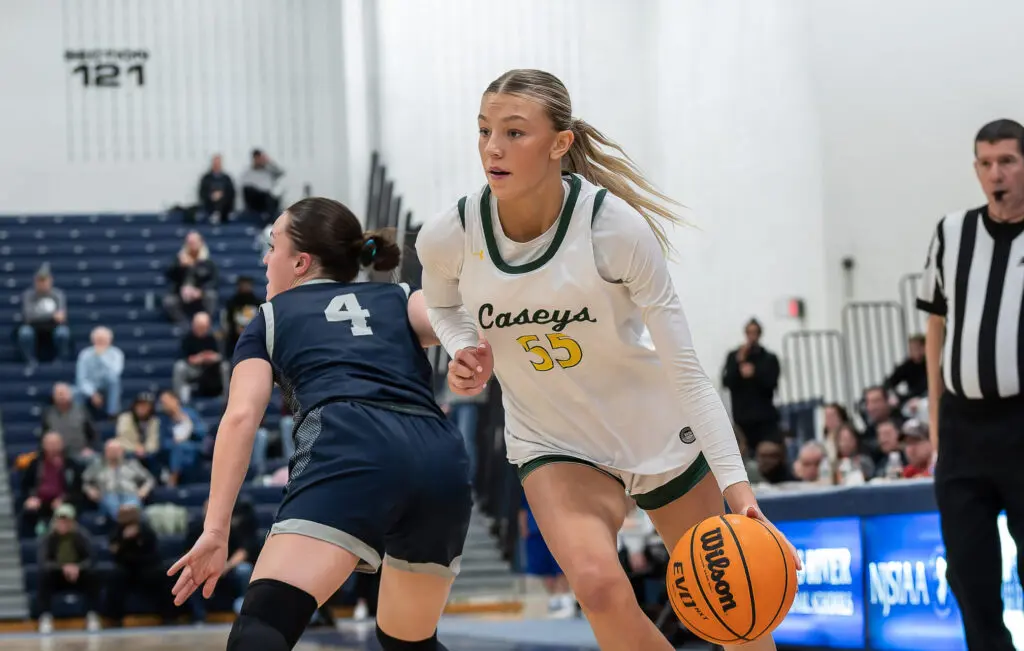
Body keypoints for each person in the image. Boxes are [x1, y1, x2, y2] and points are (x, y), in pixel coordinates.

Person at [415, 68, 799, 651]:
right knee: (597, 587)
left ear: (560, 144)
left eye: (515, 132)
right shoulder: (451, 233)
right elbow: (439, 303)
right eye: (484, 129)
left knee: (736, 611)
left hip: (654, 432)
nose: (493, 147)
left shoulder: (613, 228)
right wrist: (463, 348)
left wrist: (739, 488)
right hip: (552, 438)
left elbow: (687, 369)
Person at [167, 197, 481, 651]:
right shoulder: (395, 296)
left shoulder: (269, 318)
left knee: (264, 624)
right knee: (408, 642)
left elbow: (239, 419)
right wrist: (467, 361)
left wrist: (216, 530)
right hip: (439, 458)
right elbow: (456, 323)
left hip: (351, 443)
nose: (264, 258)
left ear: (300, 261)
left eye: (272, 245)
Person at [917, 118, 1024, 651]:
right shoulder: (951, 233)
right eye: (985, 163)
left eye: (1007, 161)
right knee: (968, 573)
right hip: (962, 429)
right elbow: (934, 325)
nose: (995, 174)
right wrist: (936, 421)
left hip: (1021, 426)